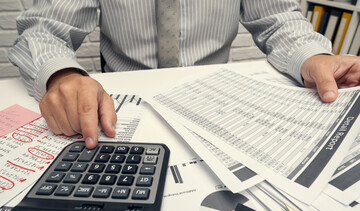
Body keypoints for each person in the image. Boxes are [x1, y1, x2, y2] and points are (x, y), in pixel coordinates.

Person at [9, 0, 360, 149]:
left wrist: (312, 55)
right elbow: (45, 27)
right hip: (120, 111)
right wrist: (63, 75)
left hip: (216, 105)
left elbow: (277, 18)